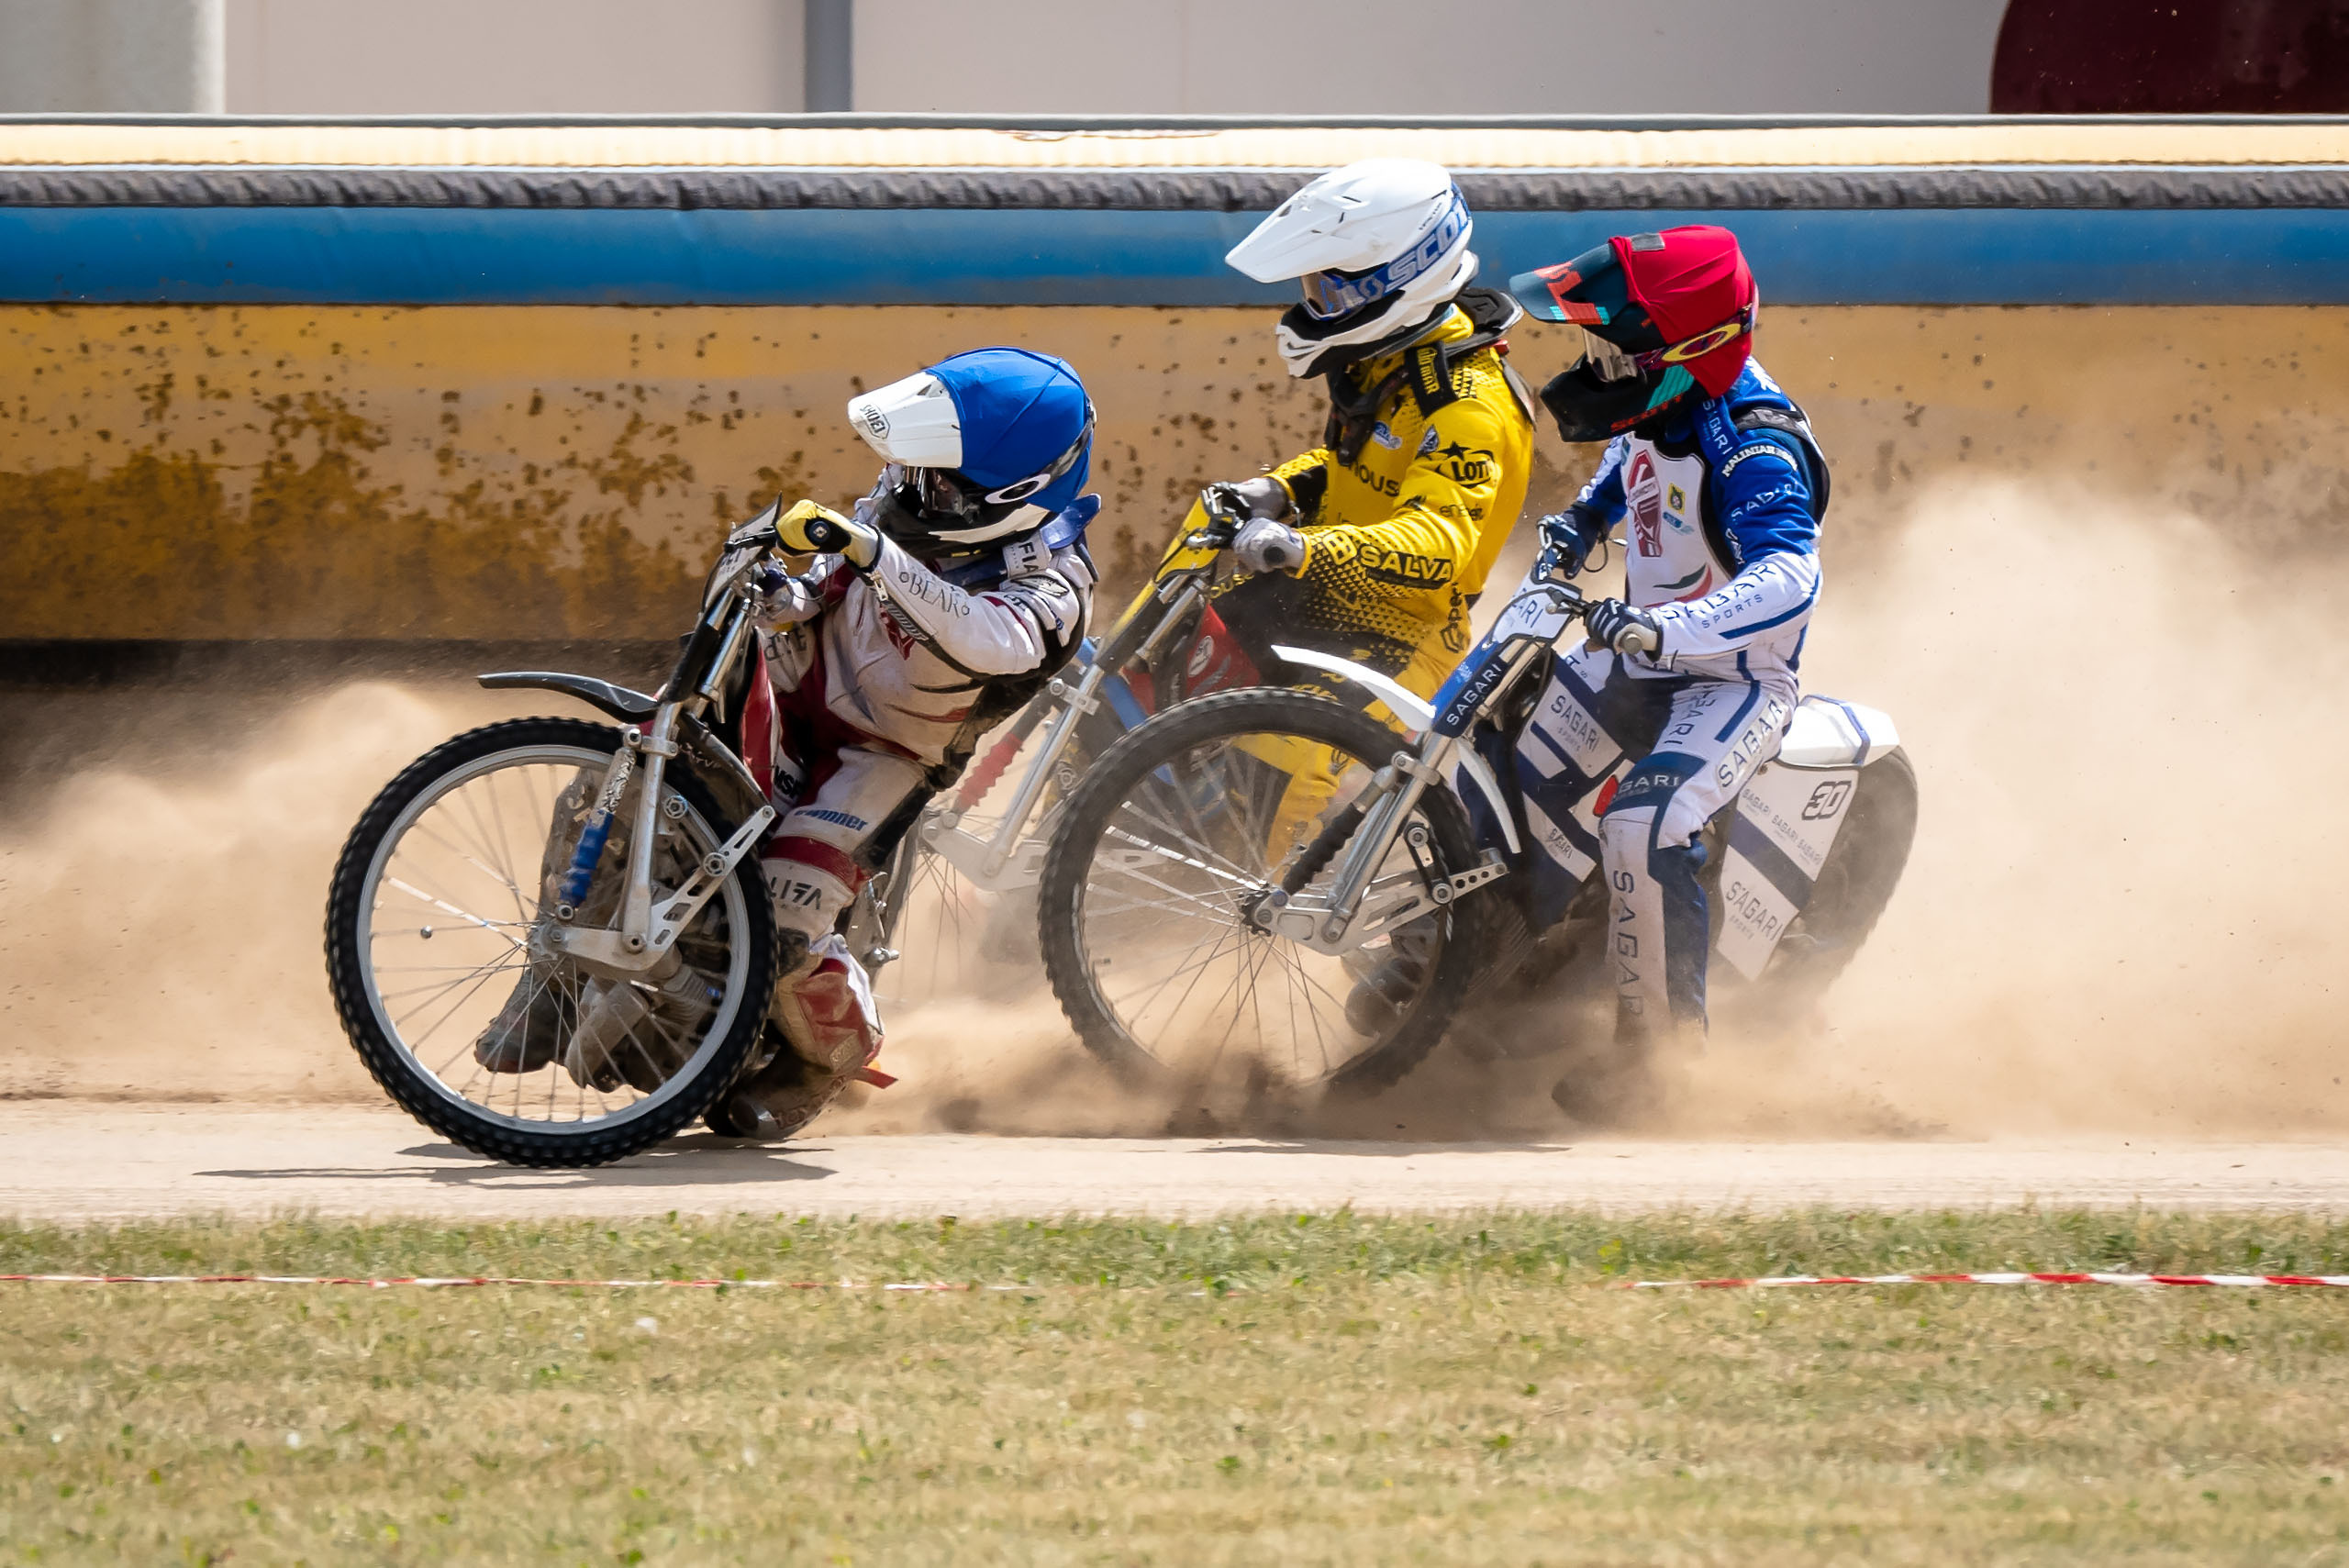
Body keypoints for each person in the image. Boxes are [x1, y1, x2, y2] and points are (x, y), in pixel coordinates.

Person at [475, 347, 1098, 1139]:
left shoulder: (1054, 583)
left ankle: (826, 1057)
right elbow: (831, 578)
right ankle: (552, 976)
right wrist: (789, 591)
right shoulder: (904, 498)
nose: (906, 485)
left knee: (782, 925)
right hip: (790, 695)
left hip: (879, 763)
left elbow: (985, 640)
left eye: (933, 476)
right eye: (910, 467)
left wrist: (874, 554)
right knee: (612, 788)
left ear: (1012, 493)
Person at [1505, 225, 1830, 1112]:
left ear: (1688, 354)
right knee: (1507, 761)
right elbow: (1622, 468)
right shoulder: (1657, 408)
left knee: (1643, 824)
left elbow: (1790, 577)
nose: (1598, 365)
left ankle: (1657, 1066)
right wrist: (1578, 524)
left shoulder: (1754, 442)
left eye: (1618, 350)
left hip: (1731, 682)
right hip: (1638, 659)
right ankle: (1461, 966)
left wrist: (1667, 628)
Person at [1203, 158, 1537, 715]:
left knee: (1272, 772)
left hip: (1405, 630)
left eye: (1329, 291)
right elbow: (1361, 465)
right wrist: (1282, 490)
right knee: (1153, 680)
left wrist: (1307, 546)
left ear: (1403, 275)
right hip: (1316, 591)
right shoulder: (1389, 357)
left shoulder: (1467, 403)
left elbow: (1439, 547)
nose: (1316, 308)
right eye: (1311, 289)